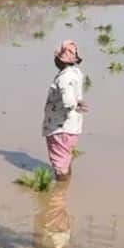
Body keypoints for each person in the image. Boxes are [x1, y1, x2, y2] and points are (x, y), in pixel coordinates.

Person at [42, 40, 88, 181]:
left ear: (61, 61)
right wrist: (78, 103)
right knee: (65, 159)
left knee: (59, 163)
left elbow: (67, 100)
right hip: (73, 125)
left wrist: (73, 104)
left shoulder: (64, 78)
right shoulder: (76, 72)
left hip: (60, 126)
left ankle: (59, 195)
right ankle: (66, 182)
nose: (54, 60)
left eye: (56, 57)